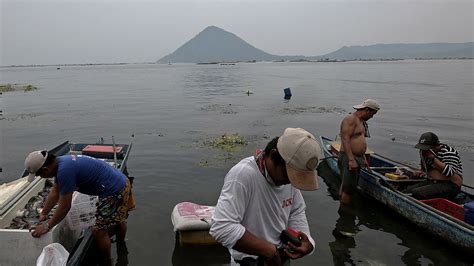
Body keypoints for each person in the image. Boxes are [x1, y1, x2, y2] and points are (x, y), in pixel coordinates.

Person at [210, 128, 320, 266]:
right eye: (289, 175)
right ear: (273, 156)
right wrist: (269, 251)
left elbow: (296, 211)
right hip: (249, 261)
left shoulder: (288, 178)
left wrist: (307, 242)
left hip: (280, 258)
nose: (291, 182)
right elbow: (221, 227)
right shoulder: (243, 176)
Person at [25, 150, 135, 265]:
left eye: (39, 175)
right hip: (121, 181)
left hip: (113, 191)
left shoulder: (64, 171)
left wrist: (47, 226)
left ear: (45, 170)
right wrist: (44, 213)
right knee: (119, 218)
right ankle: (121, 245)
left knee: (98, 231)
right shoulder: (61, 162)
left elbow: (65, 207)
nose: (41, 177)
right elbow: (55, 192)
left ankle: (107, 261)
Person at [338, 99, 380, 205]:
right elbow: (345, 138)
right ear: (367, 110)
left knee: (350, 186)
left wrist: (363, 158)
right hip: (349, 157)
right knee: (348, 189)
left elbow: (360, 140)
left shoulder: (361, 122)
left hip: (358, 157)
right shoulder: (351, 119)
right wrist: (351, 160)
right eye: (372, 114)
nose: (372, 117)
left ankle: (345, 205)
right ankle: (345, 213)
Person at [404, 132, 462, 199]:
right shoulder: (424, 152)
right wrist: (421, 172)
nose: (423, 150)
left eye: (426, 148)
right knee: (406, 192)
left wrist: (433, 159)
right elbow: (424, 169)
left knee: (417, 192)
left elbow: (449, 173)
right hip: (433, 181)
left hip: (450, 185)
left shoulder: (449, 152)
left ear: (435, 146)